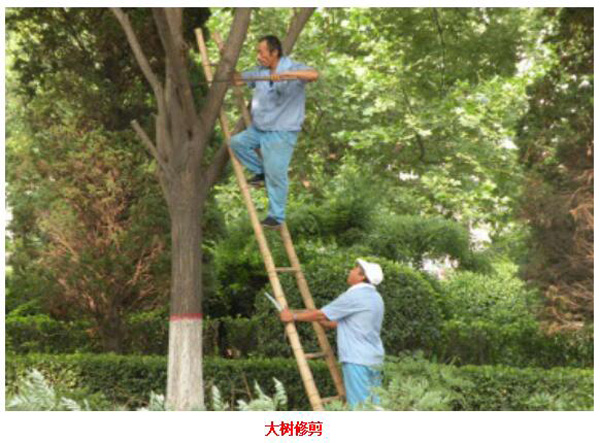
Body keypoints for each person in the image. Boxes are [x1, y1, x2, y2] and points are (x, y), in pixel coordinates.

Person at [231, 35, 319, 229]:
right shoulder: (260, 72)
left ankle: (276, 217)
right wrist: (226, 60)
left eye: (261, 52)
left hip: (281, 132)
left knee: (276, 173)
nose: (258, 55)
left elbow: (314, 74)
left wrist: (289, 75)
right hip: (260, 128)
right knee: (237, 143)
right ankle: (260, 171)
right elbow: (237, 79)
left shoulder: (293, 67)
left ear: (274, 52)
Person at [280, 259, 385, 409]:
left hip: (357, 359)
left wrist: (293, 316)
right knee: (375, 405)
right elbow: (350, 324)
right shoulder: (376, 298)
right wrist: (322, 321)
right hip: (374, 358)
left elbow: (322, 314)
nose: (350, 271)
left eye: (354, 269)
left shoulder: (355, 295)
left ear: (362, 276)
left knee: (360, 407)